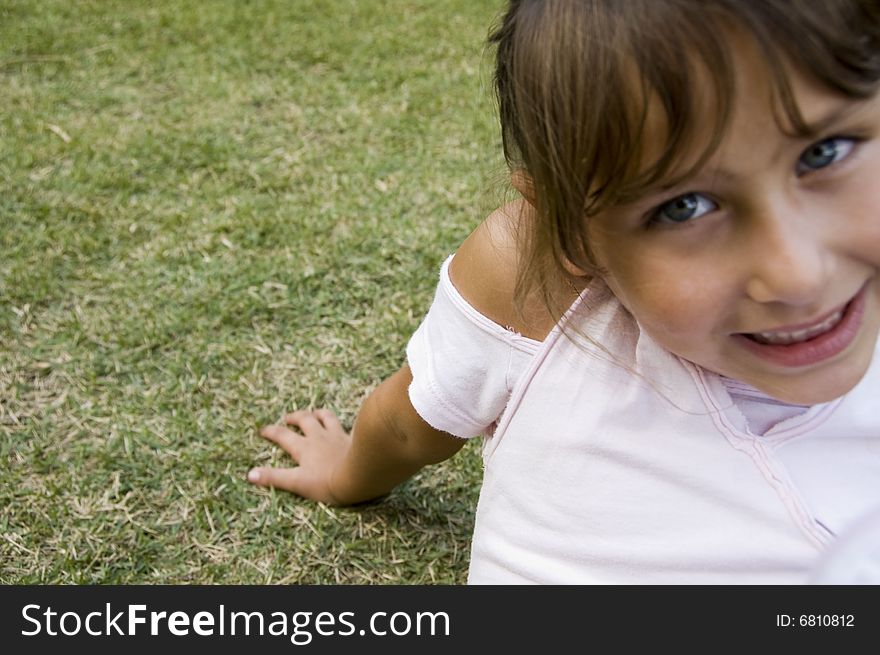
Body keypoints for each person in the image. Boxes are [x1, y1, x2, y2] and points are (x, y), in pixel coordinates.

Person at [248, 0, 880, 583]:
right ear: (571, 233)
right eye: (685, 206)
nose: (798, 275)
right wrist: (346, 474)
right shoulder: (535, 283)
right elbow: (413, 425)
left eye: (825, 152)